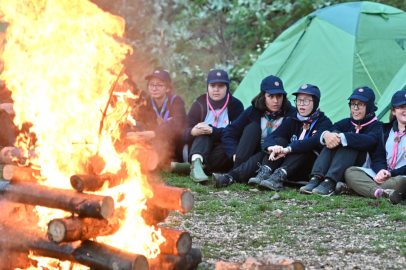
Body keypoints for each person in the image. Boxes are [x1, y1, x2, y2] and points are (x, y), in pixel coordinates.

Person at [211, 75, 296, 188]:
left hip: (275, 157)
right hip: (249, 153)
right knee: (252, 129)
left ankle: (232, 177)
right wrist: (234, 154)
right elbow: (229, 132)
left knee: (278, 141)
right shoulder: (253, 111)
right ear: (263, 96)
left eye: (279, 96)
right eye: (270, 96)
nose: (276, 101)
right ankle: (238, 170)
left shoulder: (292, 114)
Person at [300, 87, 381, 196]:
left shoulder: (378, 126)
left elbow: (371, 141)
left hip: (361, 168)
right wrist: (327, 135)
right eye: (353, 104)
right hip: (342, 164)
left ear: (370, 106)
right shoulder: (345, 123)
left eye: (360, 104)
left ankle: (331, 181)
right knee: (331, 140)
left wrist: (344, 137)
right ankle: (316, 178)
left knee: (348, 143)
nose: (355, 108)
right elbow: (331, 130)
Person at [254, 84, 332, 191]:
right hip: (288, 166)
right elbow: (274, 135)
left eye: (306, 100)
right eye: (299, 100)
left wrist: (288, 149)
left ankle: (279, 176)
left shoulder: (324, 122)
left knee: (304, 146)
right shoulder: (292, 119)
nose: (301, 104)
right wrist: (272, 147)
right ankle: (266, 171)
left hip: (307, 169)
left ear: (315, 102)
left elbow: (314, 141)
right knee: (279, 141)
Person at [175, 69, 244, 183]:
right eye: (212, 86)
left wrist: (213, 130)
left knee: (228, 144)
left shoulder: (236, 106)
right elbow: (183, 132)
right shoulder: (199, 104)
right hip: (200, 147)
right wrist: (192, 131)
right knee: (203, 132)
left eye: (221, 86)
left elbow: (238, 133)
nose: (216, 90)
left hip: (221, 151)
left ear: (227, 87)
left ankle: (194, 167)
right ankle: (197, 164)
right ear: (208, 87)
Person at [342, 90, 406, 204]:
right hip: (382, 175)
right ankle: (382, 193)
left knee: (400, 182)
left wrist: (391, 174)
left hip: (399, 177)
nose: (405, 110)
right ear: (393, 111)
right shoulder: (385, 130)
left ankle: (357, 190)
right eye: (401, 107)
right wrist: (381, 171)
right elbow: (378, 156)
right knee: (351, 171)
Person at [125, 69, 186, 168]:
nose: (154, 88)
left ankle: (149, 160)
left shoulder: (176, 102)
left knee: (163, 139)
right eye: (151, 85)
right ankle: (138, 157)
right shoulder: (145, 103)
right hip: (149, 142)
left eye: (159, 85)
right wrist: (130, 132)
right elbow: (135, 121)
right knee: (138, 126)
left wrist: (154, 133)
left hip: (171, 145)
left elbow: (177, 124)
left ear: (167, 88)